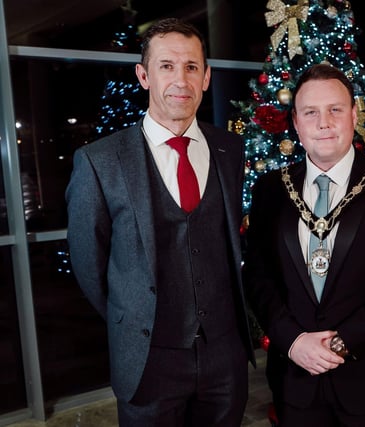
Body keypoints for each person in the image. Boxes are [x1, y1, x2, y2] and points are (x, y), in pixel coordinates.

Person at [65, 18, 255, 427]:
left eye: (191, 67)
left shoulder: (229, 148)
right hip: (148, 359)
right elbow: (88, 266)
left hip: (224, 355)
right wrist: (133, 317)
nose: (180, 79)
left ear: (206, 77)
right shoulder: (99, 161)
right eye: (167, 66)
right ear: (143, 75)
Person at [242, 63, 365, 427]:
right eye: (311, 112)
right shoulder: (271, 190)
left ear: (354, 114)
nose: (323, 122)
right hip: (297, 383)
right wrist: (293, 341)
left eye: (335, 109)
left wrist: (343, 344)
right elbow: (259, 277)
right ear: (296, 123)